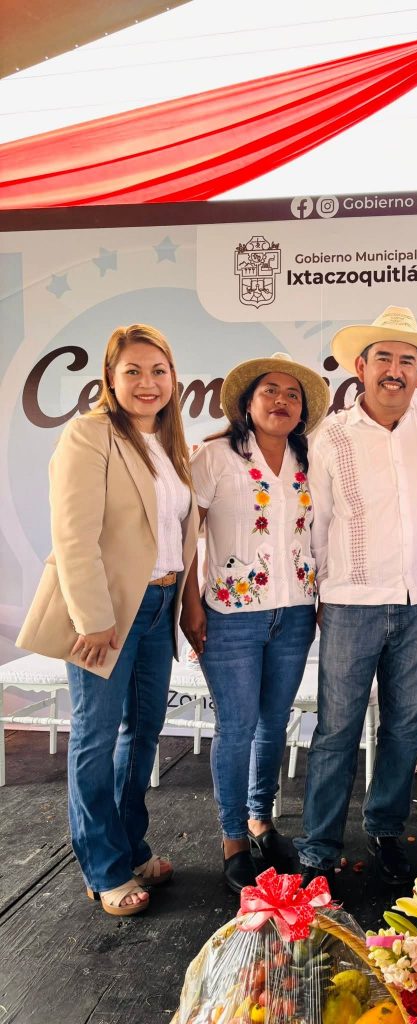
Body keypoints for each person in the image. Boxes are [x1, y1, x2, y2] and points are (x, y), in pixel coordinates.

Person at [17, 324, 198, 917]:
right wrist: (93, 619)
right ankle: (103, 868)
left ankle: (129, 847)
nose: (148, 383)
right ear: (110, 378)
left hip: (159, 605)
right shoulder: (89, 434)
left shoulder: (171, 443)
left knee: (143, 732)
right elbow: (74, 536)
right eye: (133, 371)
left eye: (158, 371)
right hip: (108, 612)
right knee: (95, 738)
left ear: (173, 378)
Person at [294, 306, 417, 887]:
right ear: (360, 368)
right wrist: (321, 590)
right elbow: (316, 521)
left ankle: (385, 829)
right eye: (383, 358)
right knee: (336, 728)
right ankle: (318, 846)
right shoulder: (331, 435)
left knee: (404, 726)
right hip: (350, 602)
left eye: (407, 360)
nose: (395, 369)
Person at [181, 352, 330, 894]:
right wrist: (190, 603)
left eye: (293, 394)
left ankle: (261, 820)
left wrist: (320, 598)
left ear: (302, 411)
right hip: (229, 615)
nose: (282, 400)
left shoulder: (310, 460)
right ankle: (233, 840)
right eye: (271, 390)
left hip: (295, 613)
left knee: (274, 723)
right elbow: (187, 534)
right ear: (247, 403)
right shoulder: (215, 456)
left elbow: (318, 534)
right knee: (238, 727)